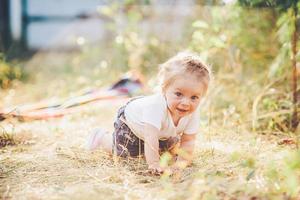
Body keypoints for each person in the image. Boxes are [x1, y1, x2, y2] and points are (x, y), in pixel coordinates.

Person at [86, 51, 211, 174]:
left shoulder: (193, 111)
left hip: (161, 131)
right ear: (164, 89)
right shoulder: (156, 107)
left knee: (168, 151)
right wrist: (154, 164)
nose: (186, 103)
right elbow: (151, 137)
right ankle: (102, 137)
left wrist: (180, 165)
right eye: (178, 94)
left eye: (194, 97)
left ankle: (160, 148)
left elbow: (188, 140)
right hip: (131, 124)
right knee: (126, 153)